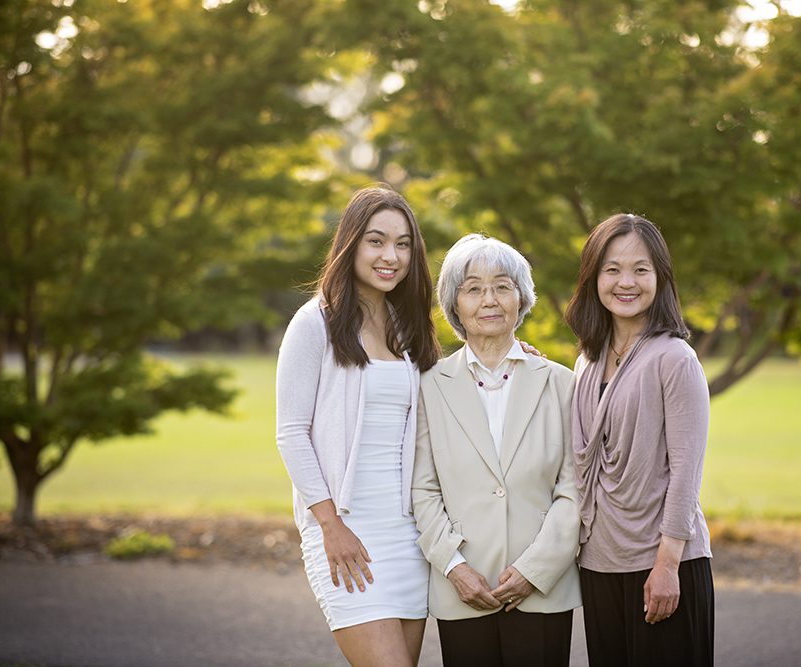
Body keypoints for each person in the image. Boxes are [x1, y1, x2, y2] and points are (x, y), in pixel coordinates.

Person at [275, 184, 440, 667]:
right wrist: (331, 526)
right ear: (351, 244)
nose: (391, 256)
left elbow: (447, 397)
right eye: (376, 241)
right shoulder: (314, 323)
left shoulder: (407, 326)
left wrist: (510, 356)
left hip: (407, 535)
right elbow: (291, 433)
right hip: (346, 529)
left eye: (403, 244)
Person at [412, 233, 582, 667]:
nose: (489, 300)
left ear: (521, 298)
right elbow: (422, 490)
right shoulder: (429, 386)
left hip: (543, 590)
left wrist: (535, 570)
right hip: (462, 590)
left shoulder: (562, 384)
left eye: (502, 286)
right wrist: (454, 567)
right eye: (473, 288)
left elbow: (575, 489)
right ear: (455, 305)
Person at [565, 214, 714, 666]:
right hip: (599, 563)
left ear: (660, 277)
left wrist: (667, 564)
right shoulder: (586, 362)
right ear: (593, 278)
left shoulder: (675, 358)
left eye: (640, 269)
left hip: (663, 566)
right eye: (612, 269)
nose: (625, 282)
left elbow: (686, 473)